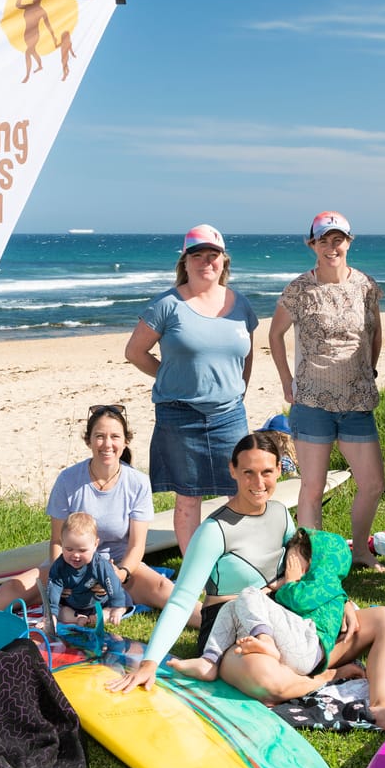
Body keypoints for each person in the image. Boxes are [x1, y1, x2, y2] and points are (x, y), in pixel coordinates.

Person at [109, 433, 385, 730]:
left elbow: (308, 565)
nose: (258, 482)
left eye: (266, 472)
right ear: (233, 471)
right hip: (232, 634)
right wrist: (149, 662)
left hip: (285, 621)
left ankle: (381, 707)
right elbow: (181, 601)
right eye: (248, 472)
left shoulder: (280, 514)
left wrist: (342, 601)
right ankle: (328, 675)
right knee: (268, 679)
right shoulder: (214, 531)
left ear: (279, 470)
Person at [0, 403, 190, 621]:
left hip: (117, 567)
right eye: (99, 436)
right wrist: (63, 575)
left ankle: (208, 622)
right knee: (14, 587)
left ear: (125, 441)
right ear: (88, 440)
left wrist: (120, 574)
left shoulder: (138, 482)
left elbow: (136, 545)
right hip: (69, 564)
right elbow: (57, 541)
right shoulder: (68, 480)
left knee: (163, 588)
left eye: (115, 436)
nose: (107, 444)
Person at [126, 225, 258, 553]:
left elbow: (247, 353)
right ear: (185, 262)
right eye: (197, 255)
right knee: (188, 498)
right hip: (179, 415)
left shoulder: (241, 304)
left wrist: (239, 388)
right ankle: (193, 567)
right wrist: (169, 376)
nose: (205, 262)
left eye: (212, 255)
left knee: (239, 490)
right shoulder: (166, 305)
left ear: (223, 261)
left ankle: (239, 559)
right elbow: (135, 352)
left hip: (230, 415)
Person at [268, 211, 385, 570]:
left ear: (349, 242)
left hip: (357, 402)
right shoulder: (299, 289)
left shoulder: (366, 285)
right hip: (312, 402)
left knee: (373, 483)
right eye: (324, 240)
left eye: (338, 239)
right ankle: (313, 560)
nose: (332, 247)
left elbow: (375, 334)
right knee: (312, 487)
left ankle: (360, 551)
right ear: (312, 245)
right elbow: (275, 334)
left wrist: (369, 369)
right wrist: (286, 380)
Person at [171, 527, 354, 689]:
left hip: (308, 647)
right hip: (298, 645)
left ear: (315, 562)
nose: (289, 570)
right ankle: (209, 660)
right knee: (231, 606)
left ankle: (265, 640)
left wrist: (290, 582)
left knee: (249, 593)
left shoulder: (326, 585)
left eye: (293, 563)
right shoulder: (323, 586)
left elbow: (297, 602)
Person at [47, 511, 133, 628]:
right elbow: (53, 590)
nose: (75, 555)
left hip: (99, 602)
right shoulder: (59, 566)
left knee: (124, 599)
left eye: (82, 550)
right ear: (62, 543)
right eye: (69, 549)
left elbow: (113, 583)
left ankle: (104, 614)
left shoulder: (99, 565)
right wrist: (52, 613)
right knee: (59, 609)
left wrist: (117, 605)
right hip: (72, 605)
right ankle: (77, 618)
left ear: (95, 545)